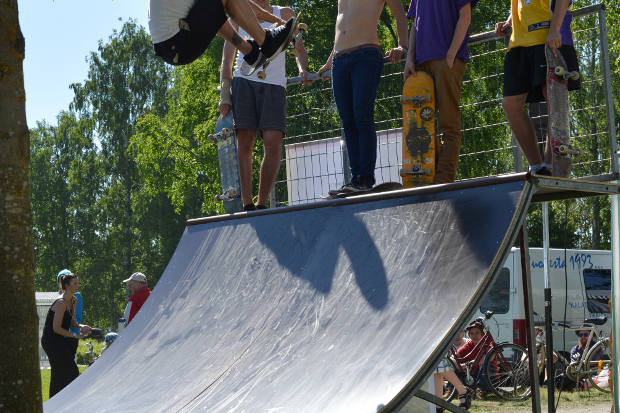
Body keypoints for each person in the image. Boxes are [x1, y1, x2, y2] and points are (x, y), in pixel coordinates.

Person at [219, 0, 310, 211]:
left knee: (272, 141)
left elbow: (299, 49)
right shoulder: (238, 11)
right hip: (244, 81)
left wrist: (302, 69)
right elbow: (227, 59)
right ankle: (247, 203)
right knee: (246, 141)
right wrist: (225, 95)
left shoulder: (285, 13)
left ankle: (262, 204)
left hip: (274, 85)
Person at [318, 0, 409, 193]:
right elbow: (343, 22)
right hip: (339, 60)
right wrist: (329, 61)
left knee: (362, 116)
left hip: (365, 54)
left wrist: (402, 46)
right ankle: (355, 179)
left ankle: (365, 179)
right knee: (348, 121)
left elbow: (400, 13)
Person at [495, 0, 580, 175]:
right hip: (518, 42)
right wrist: (509, 21)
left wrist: (555, 28)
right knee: (510, 103)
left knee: (552, 99)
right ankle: (536, 166)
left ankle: (551, 166)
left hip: (546, 35)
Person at [404, 0, 477, 184]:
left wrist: (451, 55)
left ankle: (443, 180)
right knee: (419, 124)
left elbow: (465, 15)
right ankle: (426, 175)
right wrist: (409, 59)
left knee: (449, 124)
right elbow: (415, 24)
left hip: (447, 62)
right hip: (420, 65)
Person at [149, 0, 296, 75]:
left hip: (172, 46)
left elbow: (214, 16)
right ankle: (267, 41)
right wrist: (275, 20)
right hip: (179, 39)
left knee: (216, 9)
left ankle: (251, 52)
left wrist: (275, 21)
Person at [41, 273, 92, 397]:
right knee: (70, 371)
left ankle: (59, 402)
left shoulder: (74, 300)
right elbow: (56, 328)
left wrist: (81, 326)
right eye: (75, 283)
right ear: (67, 286)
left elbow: (71, 321)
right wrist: (74, 336)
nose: (77, 286)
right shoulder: (61, 303)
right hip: (50, 340)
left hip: (59, 339)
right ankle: (57, 401)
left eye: (77, 283)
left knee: (61, 372)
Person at [434, 329, 472, 412]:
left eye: (460, 332)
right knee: (436, 367)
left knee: (436, 361)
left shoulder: (467, 341)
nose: (458, 335)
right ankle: (438, 404)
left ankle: (438, 405)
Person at [455, 320, 492, 400]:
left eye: (477, 333)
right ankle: (451, 389)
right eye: (471, 333)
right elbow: (456, 355)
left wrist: (469, 364)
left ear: (482, 334)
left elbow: (488, 358)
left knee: (484, 365)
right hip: (474, 374)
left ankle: (480, 390)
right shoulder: (469, 344)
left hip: (489, 377)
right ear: (468, 335)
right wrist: (455, 363)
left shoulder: (487, 343)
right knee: (456, 369)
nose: (474, 335)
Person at [56, 269, 83, 360]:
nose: (62, 283)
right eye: (60, 280)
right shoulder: (59, 298)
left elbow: (75, 317)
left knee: (70, 363)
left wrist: (78, 329)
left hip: (71, 335)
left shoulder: (76, 296)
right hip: (59, 336)